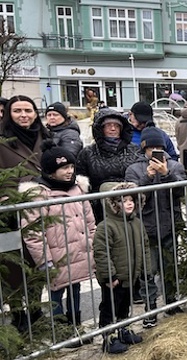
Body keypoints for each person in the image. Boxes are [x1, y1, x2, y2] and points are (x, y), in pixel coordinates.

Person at [20, 141, 96, 339]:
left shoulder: (78, 189)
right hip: (57, 256)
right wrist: (44, 260)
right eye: (64, 168)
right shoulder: (40, 195)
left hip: (78, 253)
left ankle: (76, 324)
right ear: (51, 172)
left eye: (71, 166)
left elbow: (89, 221)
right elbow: (33, 232)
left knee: (76, 287)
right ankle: (61, 330)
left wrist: (92, 243)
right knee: (56, 292)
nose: (70, 171)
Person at [125, 128, 187, 328]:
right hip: (146, 227)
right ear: (144, 148)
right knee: (148, 271)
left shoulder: (174, 165)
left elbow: (181, 190)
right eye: (151, 147)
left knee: (170, 267)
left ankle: (171, 302)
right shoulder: (134, 169)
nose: (155, 151)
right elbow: (132, 198)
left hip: (170, 224)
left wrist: (166, 174)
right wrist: (148, 177)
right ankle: (150, 309)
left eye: (158, 147)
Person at [0, 95, 51, 333]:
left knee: (36, 259)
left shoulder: (45, 137)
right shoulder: (2, 141)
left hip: (40, 211)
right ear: (9, 114)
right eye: (17, 111)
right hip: (10, 212)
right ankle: (17, 311)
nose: (23, 115)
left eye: (28, 110)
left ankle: (35, 308)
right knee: (12, 264)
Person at [93, 182, 146, 354]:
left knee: (124, 306)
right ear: (113, 204)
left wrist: (145, 269)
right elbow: (101, 253)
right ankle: (109, 337)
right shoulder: (106, 226)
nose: (129, 203)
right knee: (110, 308)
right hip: (114, 279)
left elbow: (144, 245)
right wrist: (110, 276)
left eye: (131, 200)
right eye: (123, 201)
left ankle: (124, 329)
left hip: (131, 275)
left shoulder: (136, 223)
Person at [75, 108, 143, 223]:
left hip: (130, 206)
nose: (113, 129)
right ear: (100, 128)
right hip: (99, 209)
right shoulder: (87, 153)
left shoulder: (134, 150)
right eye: (108, 125)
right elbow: (81, 181)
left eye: (116, 126)